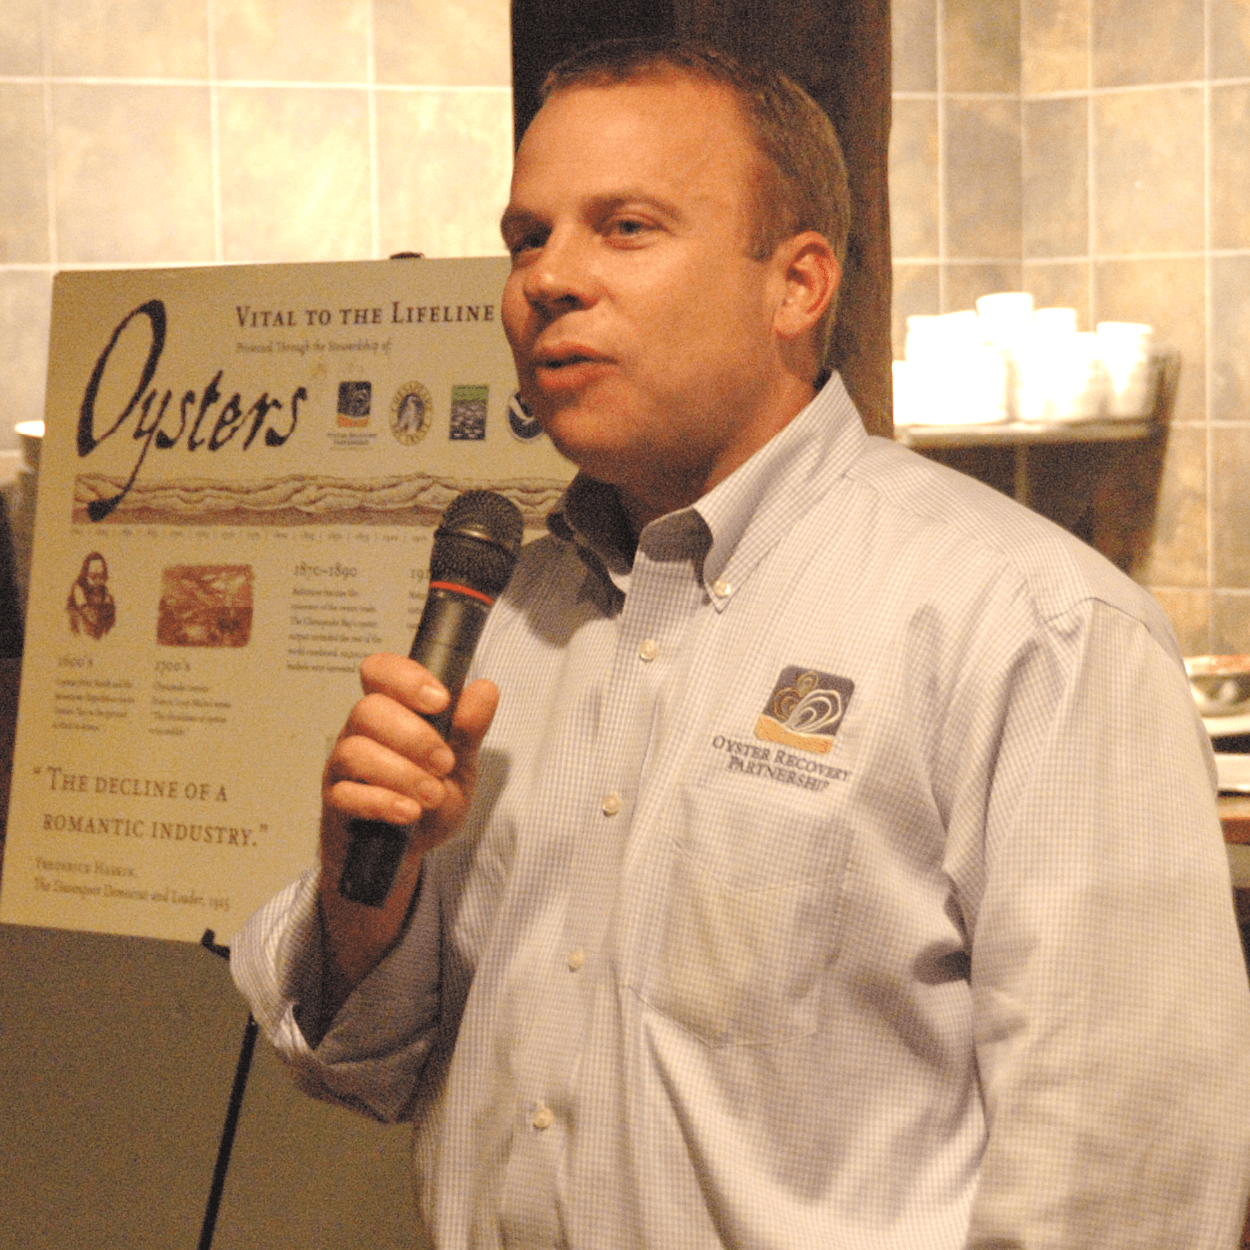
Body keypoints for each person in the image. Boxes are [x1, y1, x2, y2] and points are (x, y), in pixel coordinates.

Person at [233, 38, 1250, 1249]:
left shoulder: (1031, 629)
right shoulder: (510, 611)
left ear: (796, 284)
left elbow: (1122, 1183)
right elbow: (367, 1065)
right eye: (526, 236)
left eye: (625, 227)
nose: (549, 277)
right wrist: (370, 912)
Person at [67, 551, 116, 639]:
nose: (97, 570)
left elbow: (110, 611)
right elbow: (88, 614)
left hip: (99, 632)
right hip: (83, 630)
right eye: (94, 567)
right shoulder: (79, 587)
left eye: (99, 567)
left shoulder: (103, 589)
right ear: (87, 569)